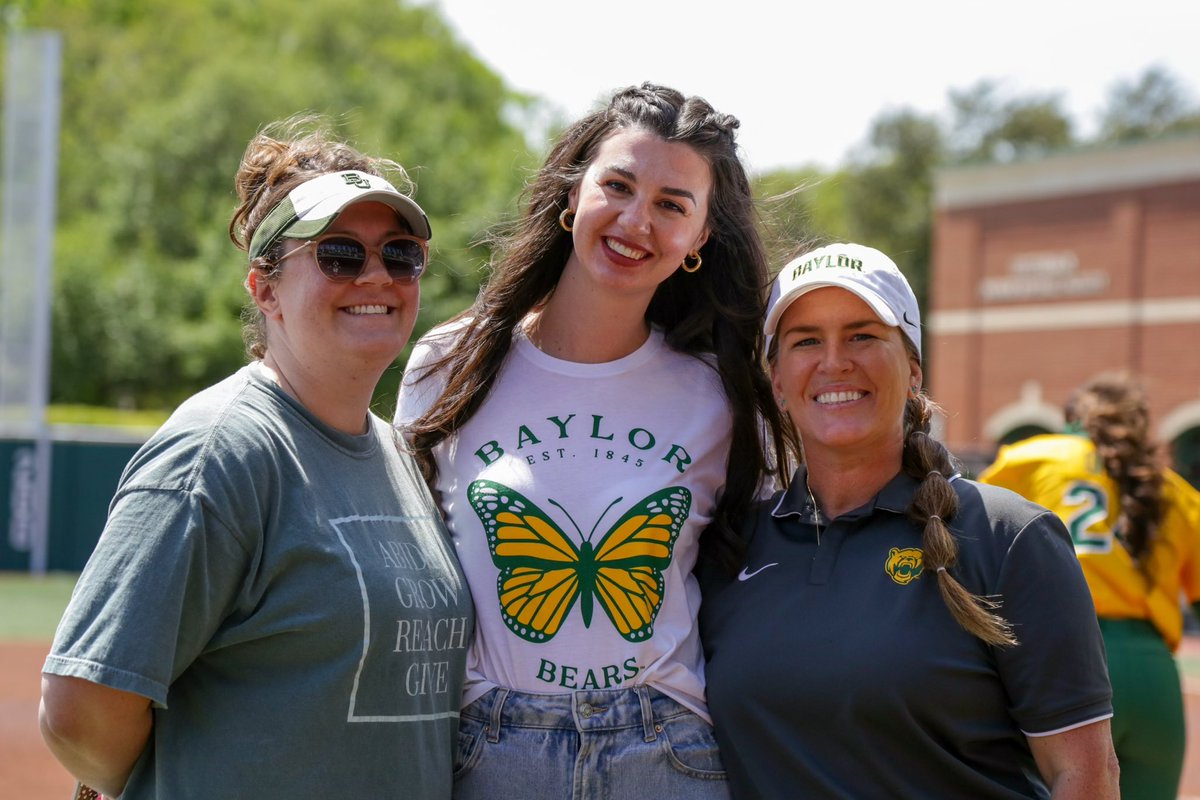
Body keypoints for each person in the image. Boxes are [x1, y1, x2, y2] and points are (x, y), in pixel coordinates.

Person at [39, 118, 473, 799]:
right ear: (265, 289)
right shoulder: (217, 454)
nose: (376, 275)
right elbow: (81, 710)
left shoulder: (394, 450)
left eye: (400, 255)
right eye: (338, 254)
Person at [394, 83, 785, 798]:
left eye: (673, 205)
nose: (638, 220)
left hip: (664, 751)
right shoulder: (449, 364)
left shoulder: (723, 397)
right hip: (490, 751)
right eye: (619, 186)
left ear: (700, 239)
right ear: (572, 195)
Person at [699, 241, 1120, 799]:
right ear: (777, 381)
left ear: (914, 369)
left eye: (862, 335)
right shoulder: (729, 543)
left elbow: (1085, 774)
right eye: (806, 341)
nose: (834, 361)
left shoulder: (1008, 537)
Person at [979, 372, 1200, 800]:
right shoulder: (1177, 491)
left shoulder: (1035, 456)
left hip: (1058, 656)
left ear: (1074, 417)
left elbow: (968, 535)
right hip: (1153, 672)